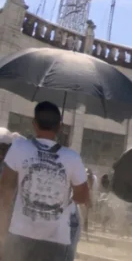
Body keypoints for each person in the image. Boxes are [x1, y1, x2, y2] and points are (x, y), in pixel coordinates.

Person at [0, 102, 89, 261]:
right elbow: (82, 197)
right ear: (59, 126)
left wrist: (3, 227)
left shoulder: (19, 148)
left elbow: (5, 189)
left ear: (34, 124)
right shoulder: (72, 157)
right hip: (56, 239)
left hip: (20, 234)